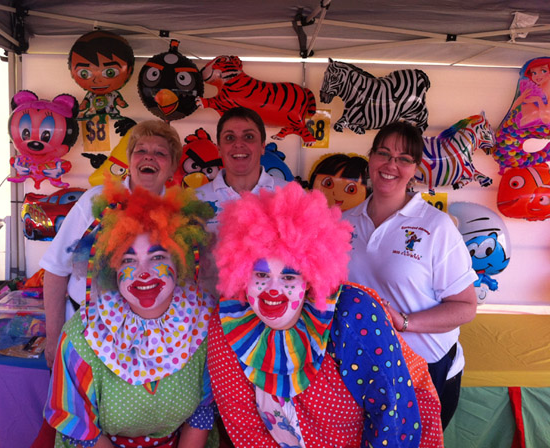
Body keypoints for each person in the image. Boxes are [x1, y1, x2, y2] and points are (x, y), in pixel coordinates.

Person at [207, 182, 443, 448]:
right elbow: (245, 427)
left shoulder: (353, 314)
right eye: (261, 275)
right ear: (241, 273)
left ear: (309, 279)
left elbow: (392, 413)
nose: (273, 290)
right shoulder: (228, 323)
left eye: (288, 276)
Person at [45, 181, 217, 447]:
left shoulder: (204, 327)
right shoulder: (82, 337)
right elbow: (79, 426)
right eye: (128, 260)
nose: (142, 273)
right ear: (111, 268)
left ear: (180, 261)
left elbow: (201, 415)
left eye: (158, 258)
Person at [342, 121, 478, 429]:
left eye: (404, 158)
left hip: (425, 370)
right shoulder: (344, 223)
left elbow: (466, 306)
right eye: (383, 153)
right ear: (370, 158)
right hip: (361, 367)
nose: (391, 164)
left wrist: (405, 323)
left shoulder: (436, 226)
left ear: (415, 169)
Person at [40, 120, 182, 368]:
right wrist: (53, 339)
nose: (149, 157)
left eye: (160, 153)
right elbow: (55, 269)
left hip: (149, 343)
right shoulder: (95, 201)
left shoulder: (179, 215)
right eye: (141, 151)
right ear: (130, 161)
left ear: (171, 169)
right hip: (84, 333)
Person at [195, 106, 288, 233]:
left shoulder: (290, 196)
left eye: (249, 137)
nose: (238, 144)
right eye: (230, 137)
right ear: (219, 149)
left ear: (262, 146)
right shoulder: (195, 201)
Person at [68, 30, 135, 121]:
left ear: (129, 71)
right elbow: (86, 101)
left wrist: (120, 102)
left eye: (110, 72)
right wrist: (83, 105)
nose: (97, 80)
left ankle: (113, 115)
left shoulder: (112, 94)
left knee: (111, 113)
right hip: (92, 111)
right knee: (92, 113)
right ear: (72, 72)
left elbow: (117, 99)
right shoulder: (91, 95)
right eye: (84, 74)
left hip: (110, 110)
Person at [511, 57, 550, 127]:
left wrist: (538, 100)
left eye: (543, 71)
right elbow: (512, 110)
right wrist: (521, 98)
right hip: (522, 125)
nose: (537, 76)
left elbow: (546, 119)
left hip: (537, 127)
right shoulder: (532, 88)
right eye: (534, 73)